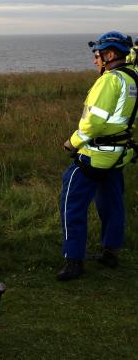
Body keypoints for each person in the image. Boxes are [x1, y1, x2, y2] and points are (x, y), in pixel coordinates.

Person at [57, 31, 138, 281]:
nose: (95, 61)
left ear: (110, 54)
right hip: (119, 155)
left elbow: (93, 123)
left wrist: (72, 142)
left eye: (97, 55)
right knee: (112, 203)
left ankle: (74, 261)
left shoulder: (109, 80)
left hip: (95, 155)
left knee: (71, 203)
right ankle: (110, 252)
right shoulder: (133, 79)